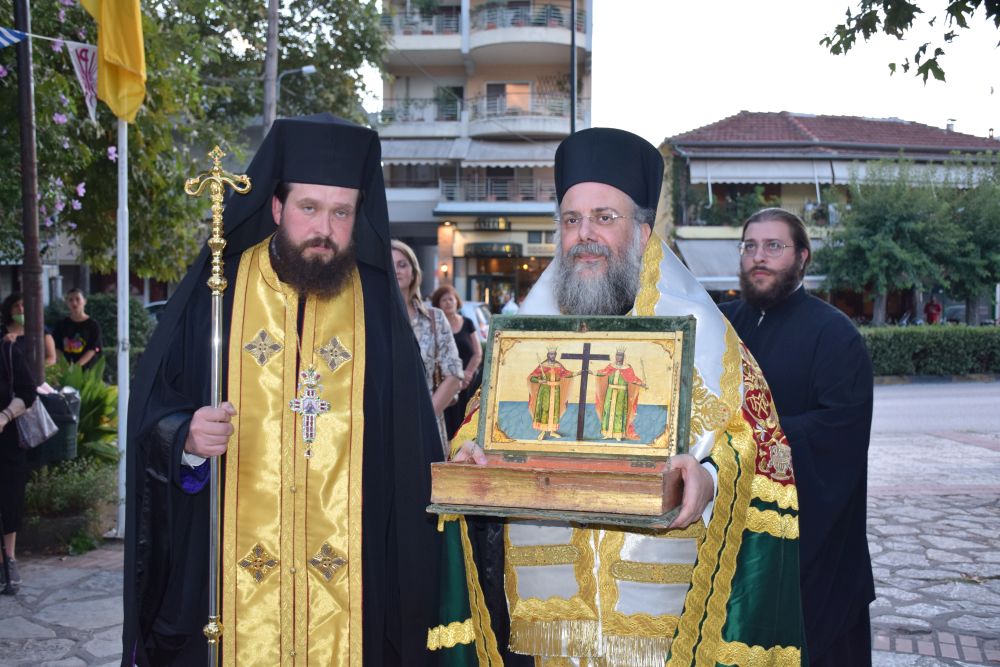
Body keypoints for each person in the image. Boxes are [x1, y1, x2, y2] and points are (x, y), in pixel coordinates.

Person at [447, 128, 806, 665]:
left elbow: (761, 448)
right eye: (571, 220)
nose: (585, 235)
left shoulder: (705, 333)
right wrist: (470, 453)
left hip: (661, 617)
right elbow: (476, 427)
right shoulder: (526, 331)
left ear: (641, 232)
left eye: (604, 217)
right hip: (550, 615)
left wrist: (708, 479)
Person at [123, 115, 448, 666]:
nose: (325, 228)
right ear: (277, 207)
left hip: (352, 580)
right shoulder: (221, 289)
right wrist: (185, 436)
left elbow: (410, 447)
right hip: (227, 575)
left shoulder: (375, 305)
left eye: (342, 212)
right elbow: (156, 409)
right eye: (309, 208)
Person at [719, 207, 875, 667]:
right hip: (731, 531)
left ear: (802, 257)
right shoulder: (722, 326)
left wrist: (752, 436)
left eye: (774, 246)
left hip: (812, 541)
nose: (758, 257)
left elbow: (840, 429)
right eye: (750, 246)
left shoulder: (836, 335)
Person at [391, 240, 463, 455]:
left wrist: (423, 418)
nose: (396, 270)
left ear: (413, 272)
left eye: (402, 264)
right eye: (390, 264)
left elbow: (454, 374)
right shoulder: (368, 320)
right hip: (382, 424)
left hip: (427, 421)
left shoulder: (435, 318)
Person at [0, 335, 38, 593]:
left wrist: (4, 416)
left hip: (7, 440)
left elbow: (27, 392)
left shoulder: (7, 351)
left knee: (8, 500)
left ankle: (8, 560)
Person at [430, 284, 483, 438]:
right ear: (438, 304)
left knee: (466, 423)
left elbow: (477, 352)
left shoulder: (468, 323)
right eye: (444, 300)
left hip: (468, 382)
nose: (448, 303)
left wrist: (467, 374)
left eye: (451, 299)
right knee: (446, 427)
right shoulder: (434, 326)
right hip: (444, 383)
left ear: (457, 301)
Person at [526, 346, 580, 439]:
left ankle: (552, 431)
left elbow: (566, 374)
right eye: (551, 354)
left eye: (554, 354)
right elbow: (532, 377)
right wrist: (540, 381)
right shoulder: (543, 366)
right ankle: (543, 431)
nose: (552, 356)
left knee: (554, 410)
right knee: (545, 409)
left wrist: (576, 373)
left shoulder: (558, 365)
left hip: (556, 391)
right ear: (548, 355)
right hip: (545, 391)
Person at [593, 347, 646, 440]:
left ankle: (618, 435)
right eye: (617, 355)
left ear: (623, 357)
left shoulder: (627, 368)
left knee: (619, 414)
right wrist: (594, 372)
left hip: (621, 394)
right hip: (610, 392)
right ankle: (607, 433)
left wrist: (641, 383)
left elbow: (633, 379)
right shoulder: (611, 366)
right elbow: (602, 373)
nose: (618, 357)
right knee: (607, 412)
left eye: (620, 356)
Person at [1, 292, 58, 368]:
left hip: (36, 374)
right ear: (9, 309)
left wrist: (36, 370)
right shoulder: (2, 331)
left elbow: (51, 358)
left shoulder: (40, 330)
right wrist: (3, 342)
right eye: (16, 306)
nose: (21, 309)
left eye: (24, 305)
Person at [54, 288, 102, 369]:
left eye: (77, 299)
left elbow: (93, 349)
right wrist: (65, 365)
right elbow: (56, 347)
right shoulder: (61, 324)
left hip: (87, 370)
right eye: (71, 300)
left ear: (84, 301)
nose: (74, 303)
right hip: (65, 369)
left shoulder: (93, 325)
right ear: (67, 303)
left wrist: (76, 367)